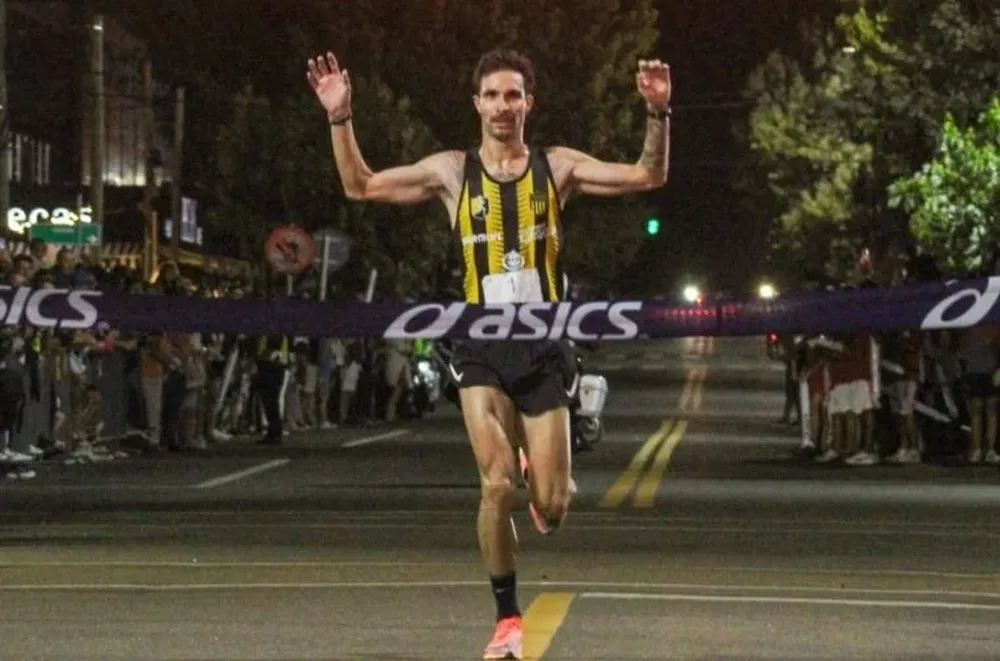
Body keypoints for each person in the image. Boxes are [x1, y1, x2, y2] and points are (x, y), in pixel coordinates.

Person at [307, 48, 671, 660]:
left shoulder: (558, 168)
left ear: (529, 104)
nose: (503, 106)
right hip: (478, 342)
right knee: (495, 483)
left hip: (543, 344)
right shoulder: (452, 171)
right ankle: (507, 620)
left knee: (551, 511)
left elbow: (646, 176)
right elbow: (360, 185)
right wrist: (340, 117)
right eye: (493, 95)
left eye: (514, 96)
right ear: (476, 103)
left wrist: (658, 113)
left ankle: (550, 457)